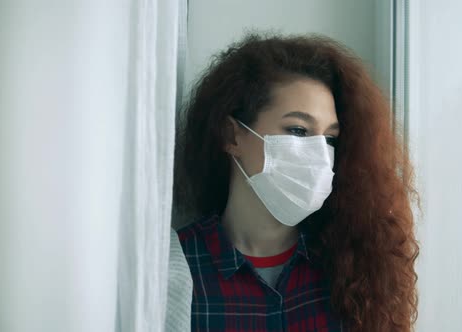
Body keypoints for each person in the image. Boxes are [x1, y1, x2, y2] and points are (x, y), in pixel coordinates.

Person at [172, 32, 419, 332]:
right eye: (299, 130)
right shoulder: (177, 265)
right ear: (232, 135)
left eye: (330, 138)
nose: (319, 155)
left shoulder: (353, 269)